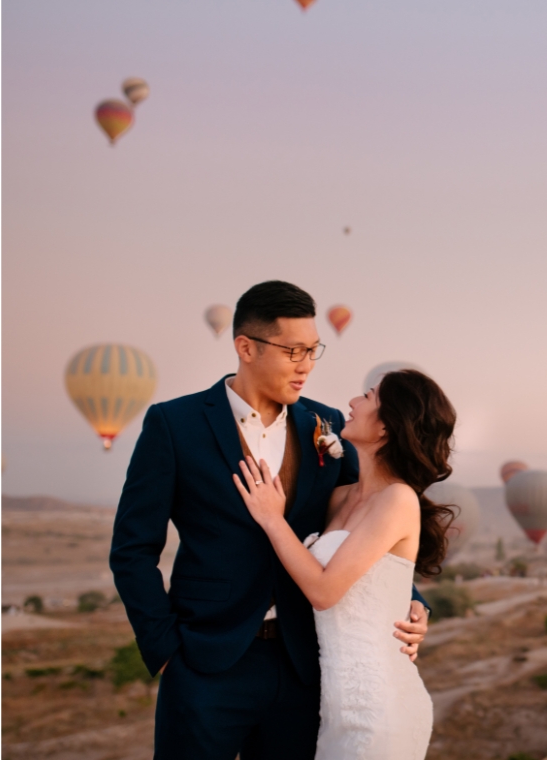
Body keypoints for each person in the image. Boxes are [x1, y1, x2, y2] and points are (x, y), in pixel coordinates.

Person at [109, 280, 431, 760]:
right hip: (206, 663)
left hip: (309, 666)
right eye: (293, 351)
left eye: (313, 350)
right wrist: (166, 649)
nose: (307, 365)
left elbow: (366, 515)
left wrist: (410, 597)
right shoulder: (174, 425)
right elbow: (132, 549)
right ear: (246, 347)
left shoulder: (327, 426)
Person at [234, 369, 453, 758]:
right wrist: (412, 600)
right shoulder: (339, 498)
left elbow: (323, 590)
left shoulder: (399, 499)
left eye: (367, 397)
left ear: (387, 427)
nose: (351, 403)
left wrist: (272, 518)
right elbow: (372, 574)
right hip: (335, 706)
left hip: (379, 705)